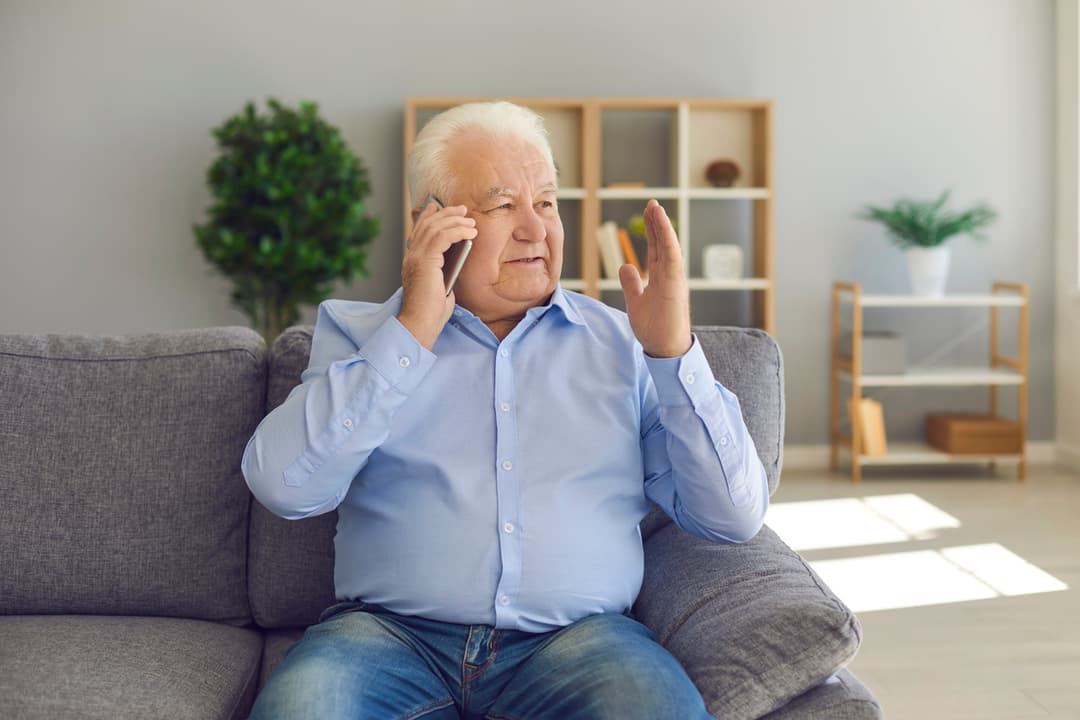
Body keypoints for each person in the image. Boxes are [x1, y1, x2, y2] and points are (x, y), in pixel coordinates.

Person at [243, 100, 769, 720]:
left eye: (546, 202)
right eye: (501, 206)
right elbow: (284, 487)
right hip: (388, 638)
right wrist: (410, 334)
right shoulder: (362, 335)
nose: (535, 228)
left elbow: (734, 518)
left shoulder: (626, 345)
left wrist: (672, 353)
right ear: (430, 225)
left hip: (582, 643)